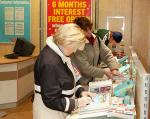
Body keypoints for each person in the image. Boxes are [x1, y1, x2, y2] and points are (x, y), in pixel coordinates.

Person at [33, 23, 94, 119]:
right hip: (49, 113)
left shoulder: (62, 53)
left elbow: (72, 77)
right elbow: (51, 100)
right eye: (74, 47)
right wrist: (77, 103)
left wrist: (80, 92)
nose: (74, 51)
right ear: (68, 43)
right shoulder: (50, 62)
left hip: (60, 109)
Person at [71, 17, 122, 85]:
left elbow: (106, 54)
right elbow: (84, 68)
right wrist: (103, 71)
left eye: (90, 28)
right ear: (78, 31)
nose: (89, 32)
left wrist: (113, 68)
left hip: (90, 80)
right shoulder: (77, 44)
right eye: (86, 30)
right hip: (79, 83)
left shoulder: (96, 39)